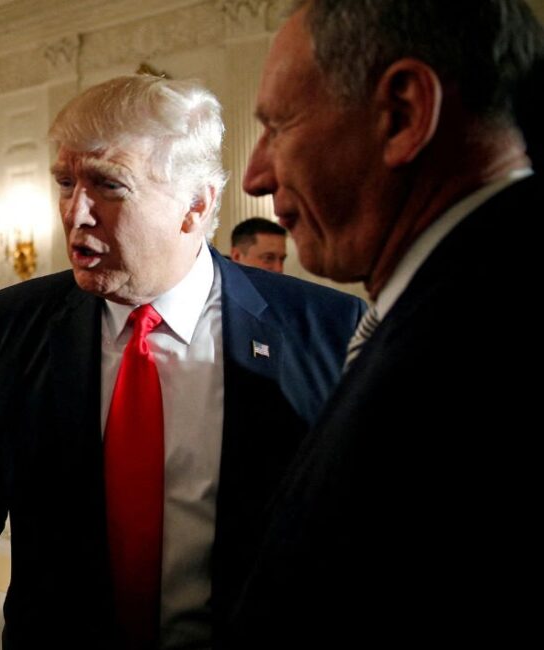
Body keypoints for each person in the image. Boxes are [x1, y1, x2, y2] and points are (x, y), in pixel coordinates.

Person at [0, 74, 366, 649]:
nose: (75, 213)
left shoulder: (327, 329)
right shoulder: (10, 323)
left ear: (195, 205)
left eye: (108, 184)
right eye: (65, 182)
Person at [231, 1, 544, 648]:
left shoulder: (483, 342)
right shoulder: (444, 299)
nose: (256, 176)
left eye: (278, 127)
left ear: (403, 114)